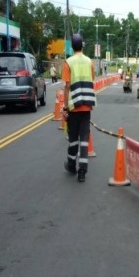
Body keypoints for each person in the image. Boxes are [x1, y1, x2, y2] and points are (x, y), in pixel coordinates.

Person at [62, 34, 96, 182]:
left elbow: (67, 86)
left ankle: (71, 165)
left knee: (73, 139)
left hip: (73, 106)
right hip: (87, 106)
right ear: (82, 46)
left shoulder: (68, 63)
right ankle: (82, 172)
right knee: (84, 140)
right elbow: (92, 79)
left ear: (72, 47)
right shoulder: (90, 62)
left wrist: (64, 107)